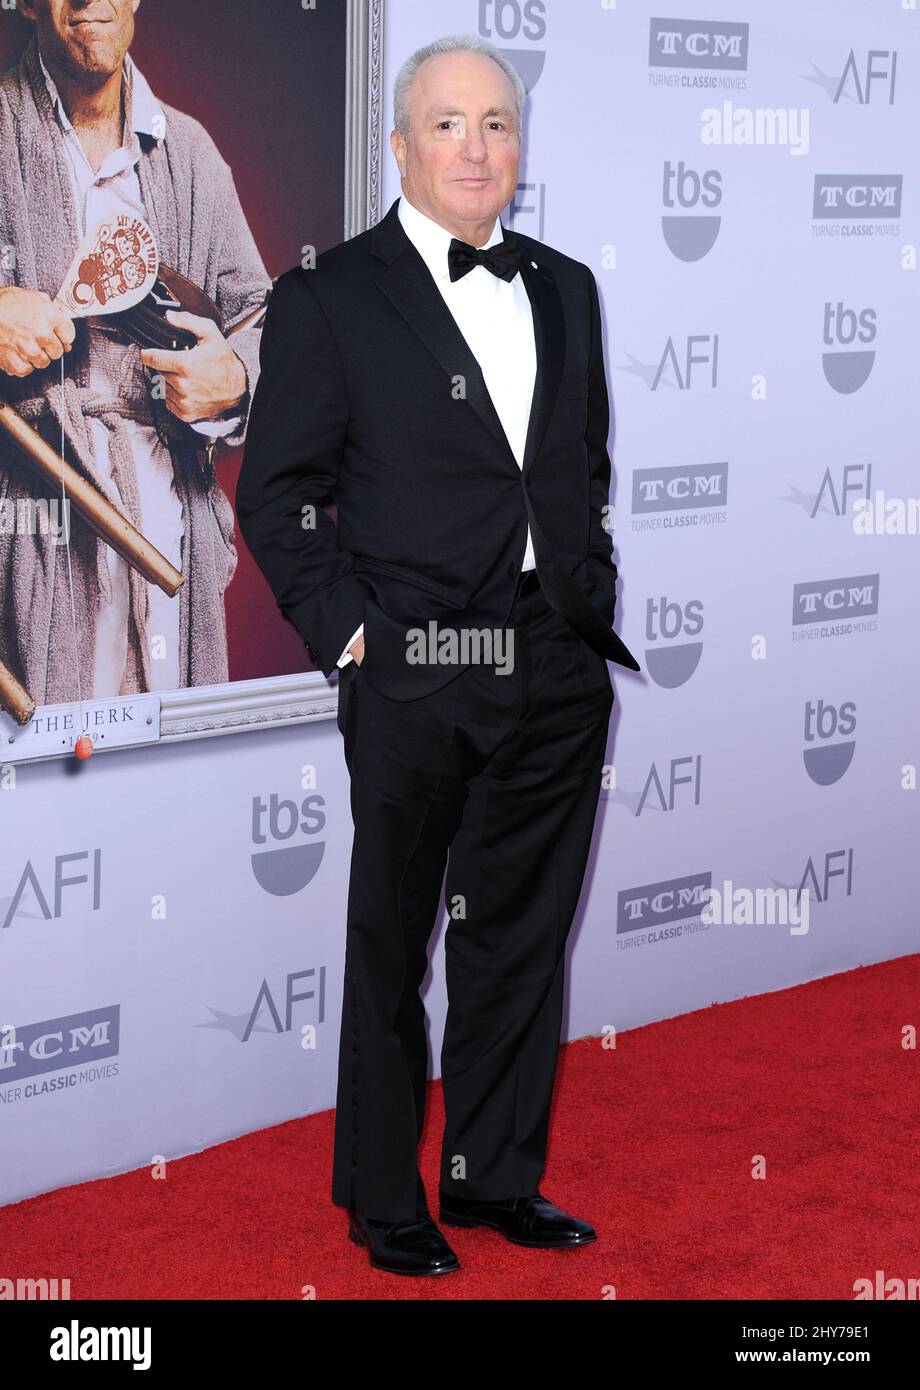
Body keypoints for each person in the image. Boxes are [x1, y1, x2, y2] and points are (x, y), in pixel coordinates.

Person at [237, 33, 638, 1277]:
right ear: (401, 145)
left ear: (519, 147)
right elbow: (280, 493)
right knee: (392, 938)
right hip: (414, 661)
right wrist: (354, 635)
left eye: (497, 125)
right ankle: (381, 1197)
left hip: (553, 663)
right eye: (449, 124)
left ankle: (489, 1176)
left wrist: (586, 596)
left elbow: (579, 471)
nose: (476, 148)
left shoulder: (564, 285)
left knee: (519, 933)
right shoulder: (330, 296)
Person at [0, 0, 271, 703]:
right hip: (28, 539)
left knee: (166, 791)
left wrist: (236, 376)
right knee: (41, 798)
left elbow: (264, 321)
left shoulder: (190, 153)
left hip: (169, 535)